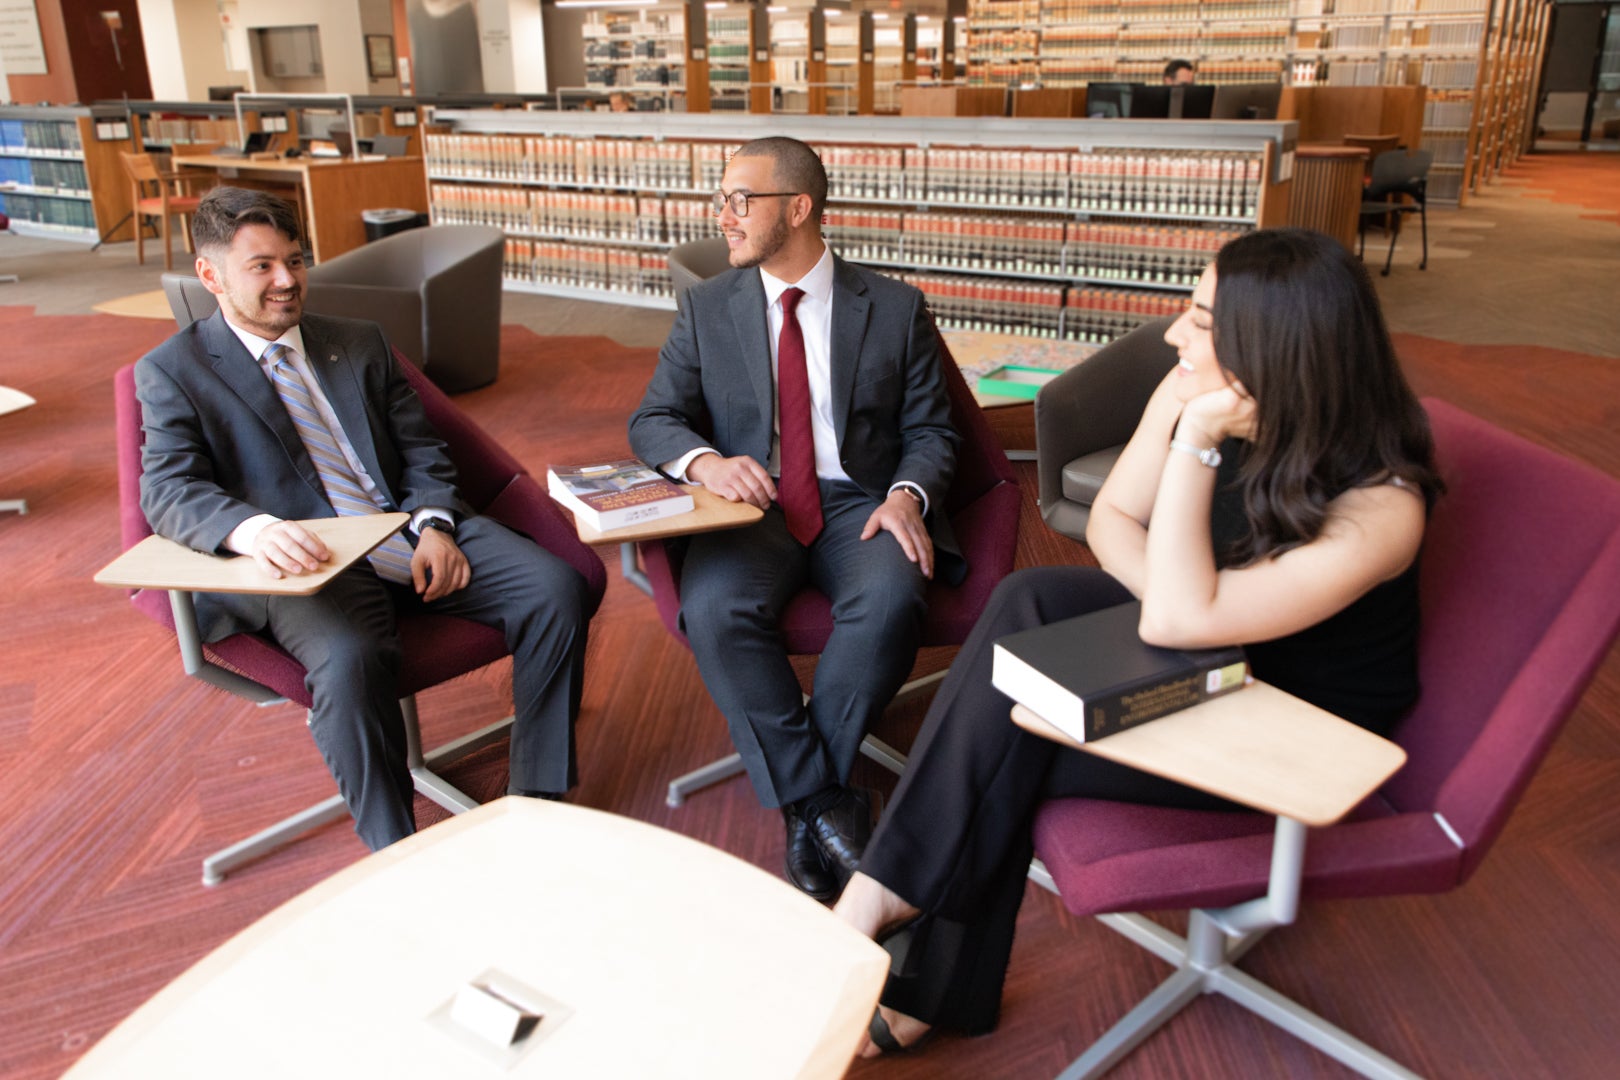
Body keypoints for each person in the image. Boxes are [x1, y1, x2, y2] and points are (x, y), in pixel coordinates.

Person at [833, 228, 1444, 1054]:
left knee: (1011, 732)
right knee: (1029, 599)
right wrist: (1182, 597)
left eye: (1198, 318)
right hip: (1205, 654)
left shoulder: (1383, 506)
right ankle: (887, 906)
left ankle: (899, 937)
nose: (1171, 336)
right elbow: (1114, 520)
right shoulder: (1190, 383)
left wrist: (1196, 452)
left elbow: (1176, 617)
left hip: (1289, 724)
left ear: (1273, 343)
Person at [136, 187, 594, 851]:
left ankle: (538, 796)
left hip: (406, 528)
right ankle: (395, 851)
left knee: (556, 588)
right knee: (350, 660)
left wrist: (434, 524)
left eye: (295, 260)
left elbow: (422, 449)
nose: (287, 280)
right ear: (210, 275)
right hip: (308, 561)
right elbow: (168, 489)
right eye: (261, 266)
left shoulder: (357, 341)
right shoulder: (173, 371)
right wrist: (255, 531)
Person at [628, 137, 961, 901]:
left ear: (799, 208)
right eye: (720, 200)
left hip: (860, 501)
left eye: (740, 200)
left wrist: (907, 494)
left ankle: (803, 798)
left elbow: (934, 433)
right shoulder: (707, 306)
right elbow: (653, 420)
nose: (723, 216)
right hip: (753, 505)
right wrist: (705, 463)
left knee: (890, 601)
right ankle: (820, 801)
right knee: (713, 609)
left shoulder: (896, 307)